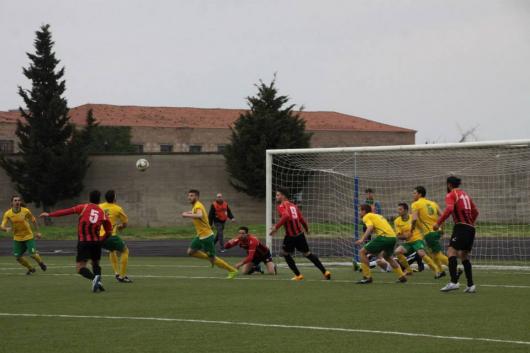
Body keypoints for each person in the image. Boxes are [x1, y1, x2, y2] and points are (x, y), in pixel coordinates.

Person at [40, 190, 112, 292]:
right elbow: (109, 231)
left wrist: (49, 214)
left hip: (84, 242)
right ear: (99, 200)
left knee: (80, 268)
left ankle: (95, 279)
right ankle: (98, 281)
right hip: (96, 242)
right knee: (95, 263)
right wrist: (101, 240)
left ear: (89, 198)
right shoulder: (102, 213)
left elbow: (66, 211)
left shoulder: (83, 207)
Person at [269, 188, 331, 281]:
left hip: (290, 236)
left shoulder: (281, 206)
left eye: (278, 195)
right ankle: (325, 272)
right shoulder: (294, 206)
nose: (276, 197)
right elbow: (302, 219)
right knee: (307, 254)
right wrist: (306, 229)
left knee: (284, 253)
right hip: (300, 235)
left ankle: (298, 275)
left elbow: (286, 216)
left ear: (283, 196)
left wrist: (275, 227)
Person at [435, 176, 479, 293]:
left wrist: (438, 223)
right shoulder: (465, 195)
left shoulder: (451, 194)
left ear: (449, 185)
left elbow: (449, 209)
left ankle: (454, 282)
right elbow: (476, 212)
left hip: (461, 227)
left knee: (451, 252)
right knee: (463, 255)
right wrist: (470, 223)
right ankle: (470, 285)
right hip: (471, 228)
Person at [182, 189, 238, 279]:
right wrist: (188, 212)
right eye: (189, 195)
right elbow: (197, 213)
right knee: (191, 252)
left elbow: (199, 215)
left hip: (206, 236)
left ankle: (232, 270)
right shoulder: (196, 205)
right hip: (200, 235)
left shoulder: (198, 205)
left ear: (197, 197)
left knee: (213, 258)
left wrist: (186, 215)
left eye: (192, 196)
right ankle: (209, 257)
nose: (189, 197)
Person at [354, 204, 406, 284]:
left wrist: (362, 239)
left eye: (360, 210)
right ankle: (402, 276)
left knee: (362, 252)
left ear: (364, 211)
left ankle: (367, 277)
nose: (359, 213)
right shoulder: (377, 215)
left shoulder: (366, 216)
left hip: (384, 237)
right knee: (387, 256)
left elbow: (370, 227)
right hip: (392, 238)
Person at [1, 195, 47, 274]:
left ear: (20, 202)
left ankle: (41, 263)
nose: (17, 202)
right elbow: (2, 225)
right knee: (18, 257)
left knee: (32, 255)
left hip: (28, 236)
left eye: (18, 200)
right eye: (15, 200)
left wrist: (38, 232)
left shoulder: (25, 211)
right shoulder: (8, 213)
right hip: (17, 238)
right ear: (12, 202)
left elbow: (33, 220)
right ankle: (31, 268)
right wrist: (5, 229)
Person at [393, 202, 442, 277]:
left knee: (421, 253)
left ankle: (437, 270)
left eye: (400, 209)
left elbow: (422, 226)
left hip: (417, 240)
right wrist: (405, 236)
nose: (398, 211)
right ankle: (409, 270)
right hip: (408, 243)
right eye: (398, 209)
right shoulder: (397, 221)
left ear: (406, 210)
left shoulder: (414, 218)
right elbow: (398, 236)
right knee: (397, 251)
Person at [411, 186, 448, 278]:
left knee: (438, 254)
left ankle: (454, 267)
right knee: (433, 253)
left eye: (414, 193)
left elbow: (414, 219)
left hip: (429, 233)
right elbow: (443, 216)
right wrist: (442, 229)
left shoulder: (415, 204)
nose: (413, 195)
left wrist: (412, 229)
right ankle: (440, 271)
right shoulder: (433, 203)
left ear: (419, 194)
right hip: (437, 231)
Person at [99, 190, 132, 283]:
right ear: (114, 198)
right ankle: (122, 276)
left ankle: (116, 273)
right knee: (125, 251)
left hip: (99, 237)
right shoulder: (117, 209)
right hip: (110, 236)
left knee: (112, 250)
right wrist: (121, 227)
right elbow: (125, 223)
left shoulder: (100, 207)